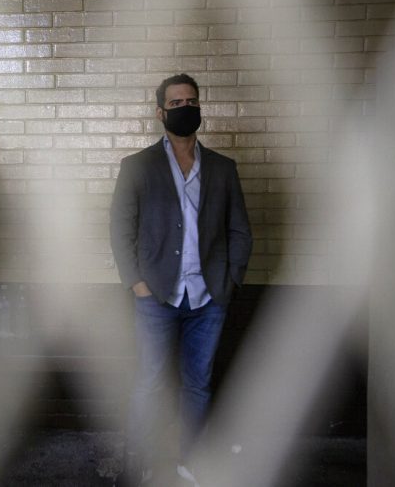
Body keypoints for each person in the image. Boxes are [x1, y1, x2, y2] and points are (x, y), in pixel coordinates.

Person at [110, 74, 252, 486]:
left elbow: (240, 230)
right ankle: (138, 464)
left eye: (191, 100)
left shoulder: (224, 169)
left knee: (198, 384)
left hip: (209, 297)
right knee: (151, 384)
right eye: (175, 102)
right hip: (155, 295)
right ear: (160, 113)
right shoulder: (137, 166)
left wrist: (231, 283)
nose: (185, 107)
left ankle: (190, 462)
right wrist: (136, 282)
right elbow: (121, 227)